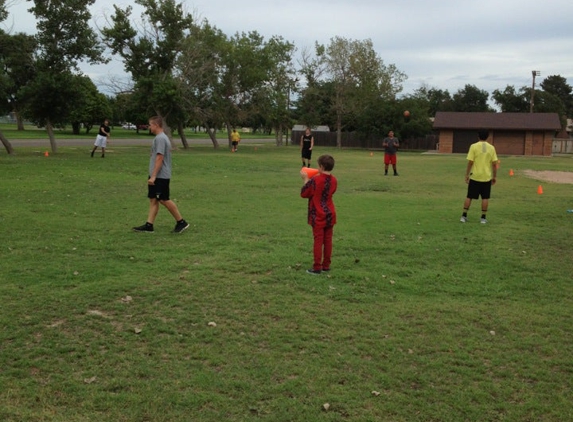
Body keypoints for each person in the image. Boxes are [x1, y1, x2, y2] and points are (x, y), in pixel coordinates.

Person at [133, 116, 190, 233]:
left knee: (164, 199)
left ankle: (181, 222)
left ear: (156, 125)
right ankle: (149, 225)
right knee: (153, 199)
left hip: (160, 176)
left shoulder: (160, 139)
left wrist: (153, 176)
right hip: (156, 175)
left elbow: (160, 157)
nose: (149, 127)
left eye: (150, 125)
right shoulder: (159, 138)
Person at [300, 154, 337, 275]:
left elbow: (304, 193)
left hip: (318, 214)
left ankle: (317, 267)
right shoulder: (334, 180)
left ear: (321, 166)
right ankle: (326, 265)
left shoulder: (315, 180)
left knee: (318, 241)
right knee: (328, 240)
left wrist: (306, 180)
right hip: (330, 213)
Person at [460, 130, 498, 224]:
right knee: (485, 197)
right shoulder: (491, 148)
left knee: (469, 196)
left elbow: (470, 162)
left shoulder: (473, 146)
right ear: (488, 137)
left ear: (478, 136)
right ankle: (483, 218)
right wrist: (494, 176)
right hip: (486, 177)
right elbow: (494, 164)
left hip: (475, 176)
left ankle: (464, 216)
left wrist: (467, 174)